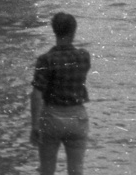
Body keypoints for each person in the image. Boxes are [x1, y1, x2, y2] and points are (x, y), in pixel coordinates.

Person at [31, 11, 90, 175]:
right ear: (74, 31)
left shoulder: (46, 59)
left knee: (47, 170)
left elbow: (36, 95)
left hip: (52, 117)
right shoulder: (84, 57)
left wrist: (34, 126)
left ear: (54, 31)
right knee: (76, 169)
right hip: (77, 116)